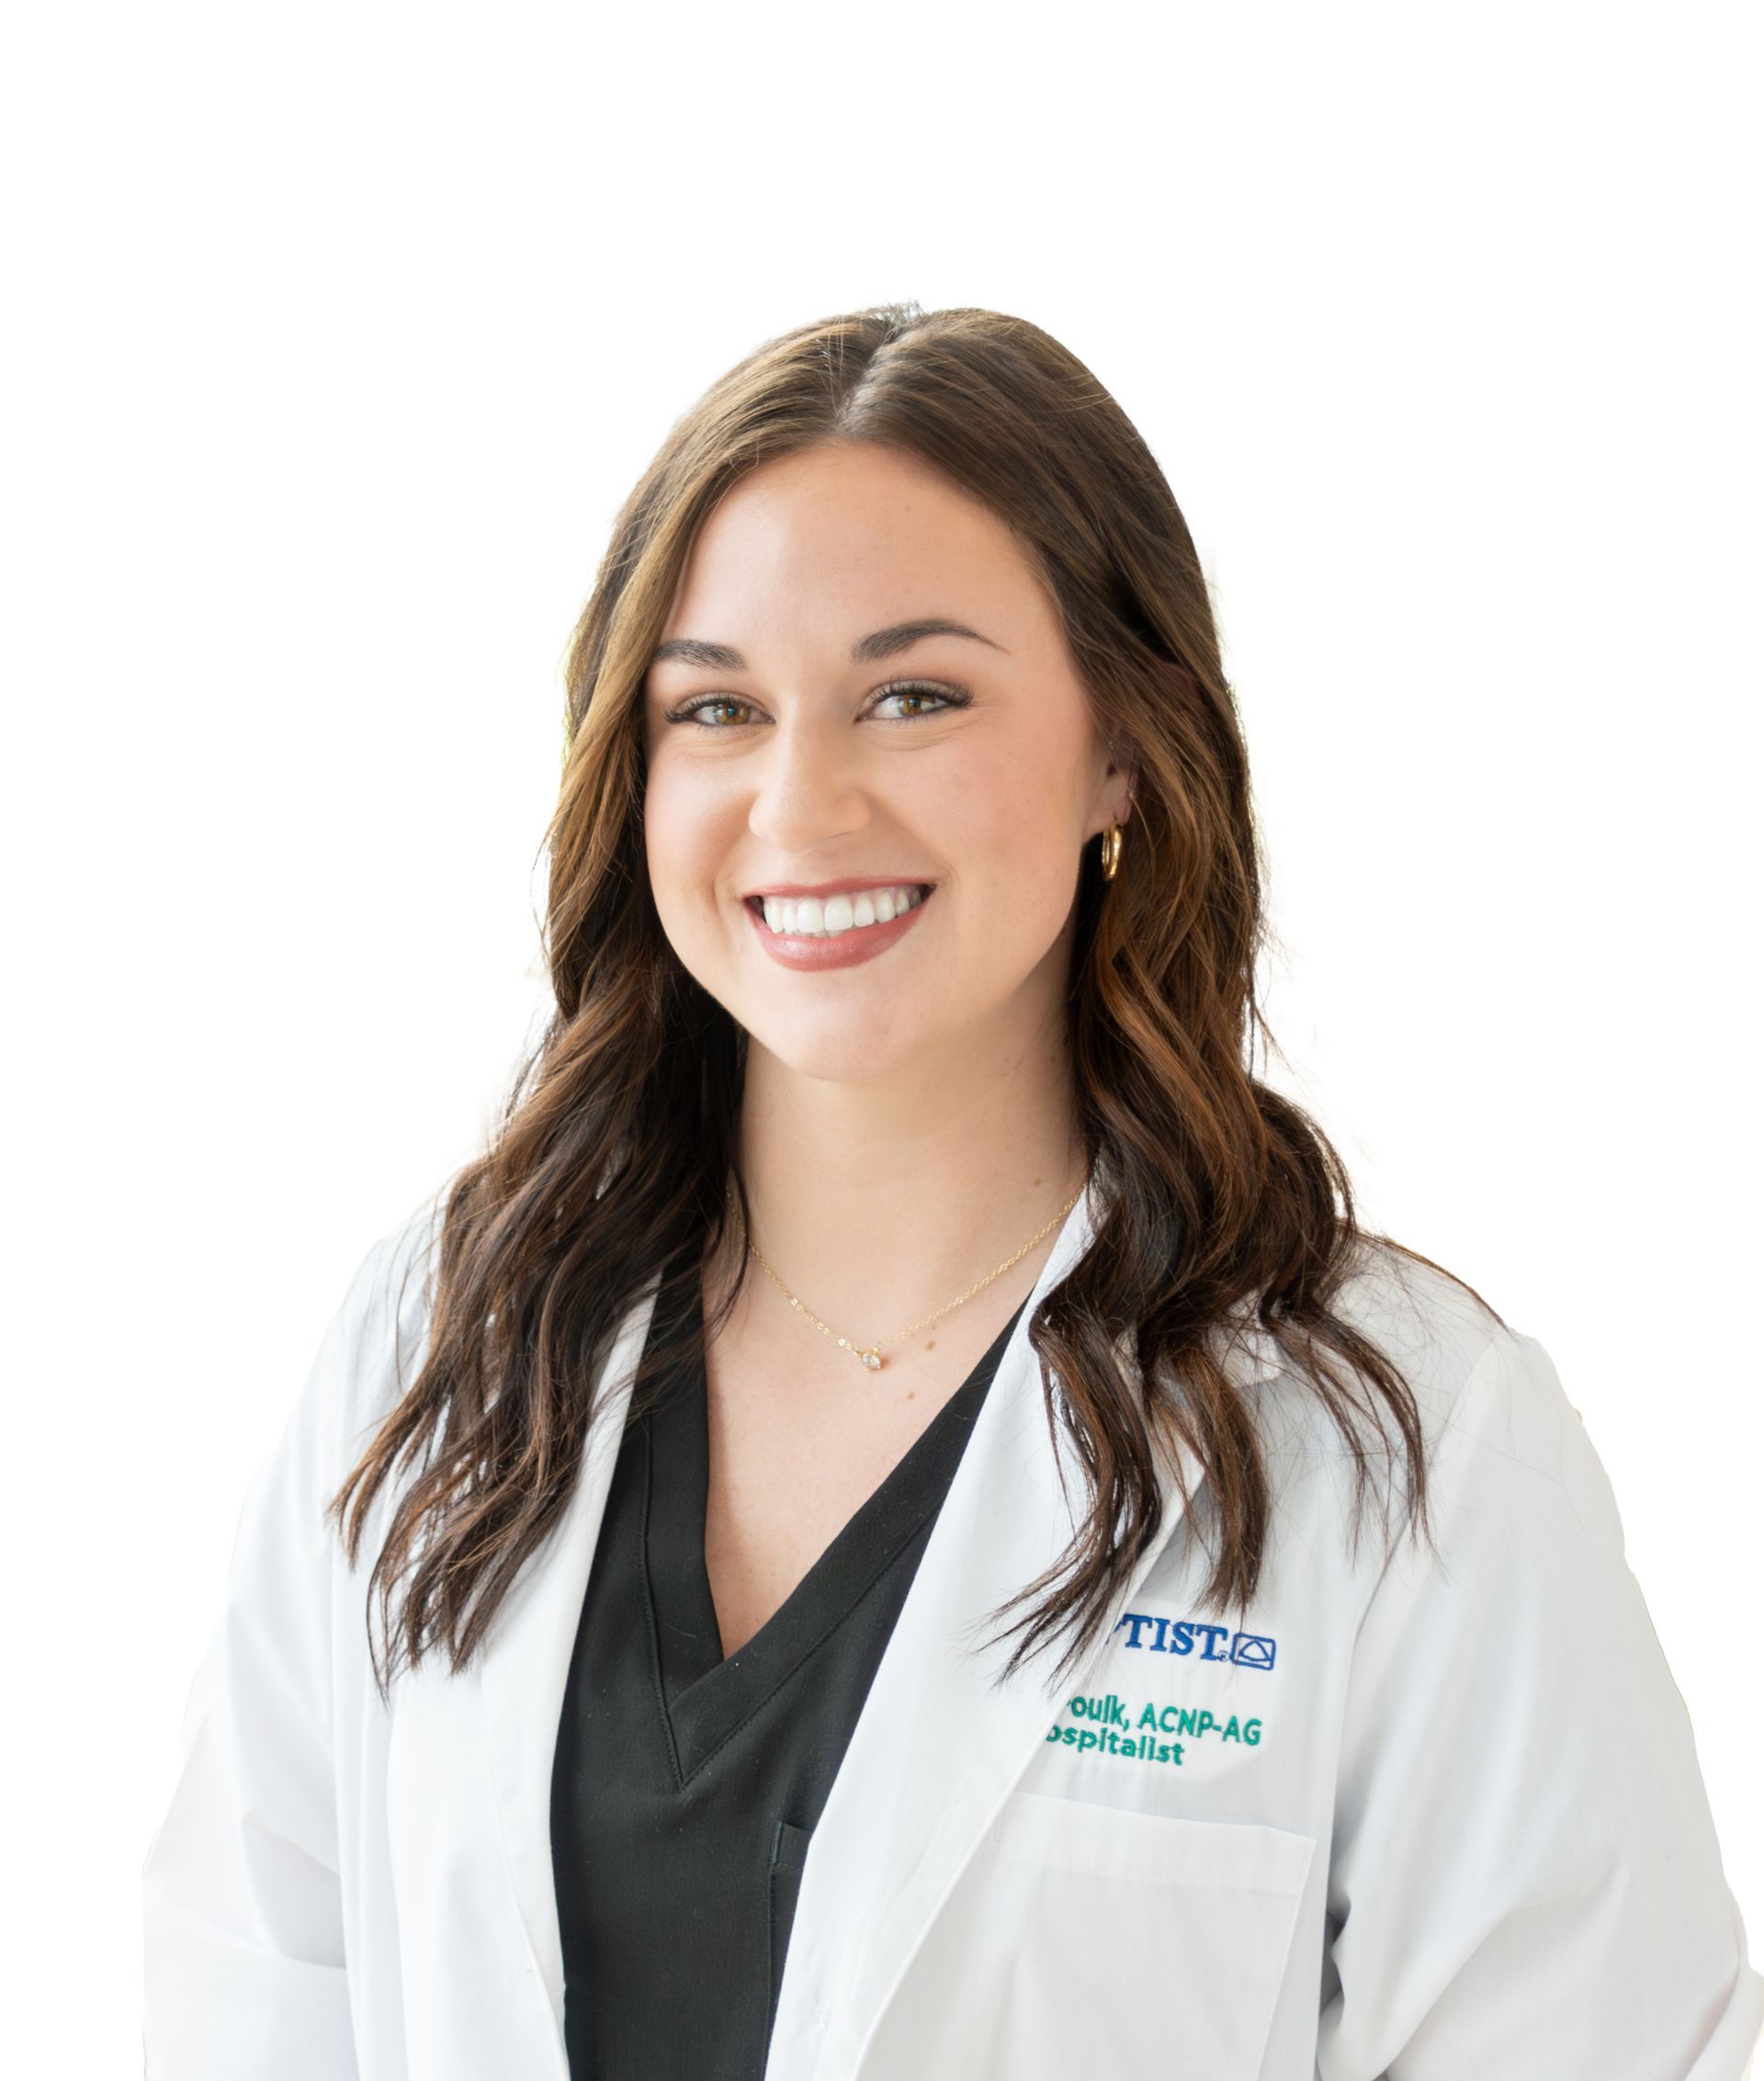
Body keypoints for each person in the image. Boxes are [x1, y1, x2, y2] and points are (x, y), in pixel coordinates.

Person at [141, 301, 1764, 2079]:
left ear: (1124, 746)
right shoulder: (439, 1354)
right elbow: (251, 1993)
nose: (800, 798)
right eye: (717, 708)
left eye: (914, 695)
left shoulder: (1399, 1450)